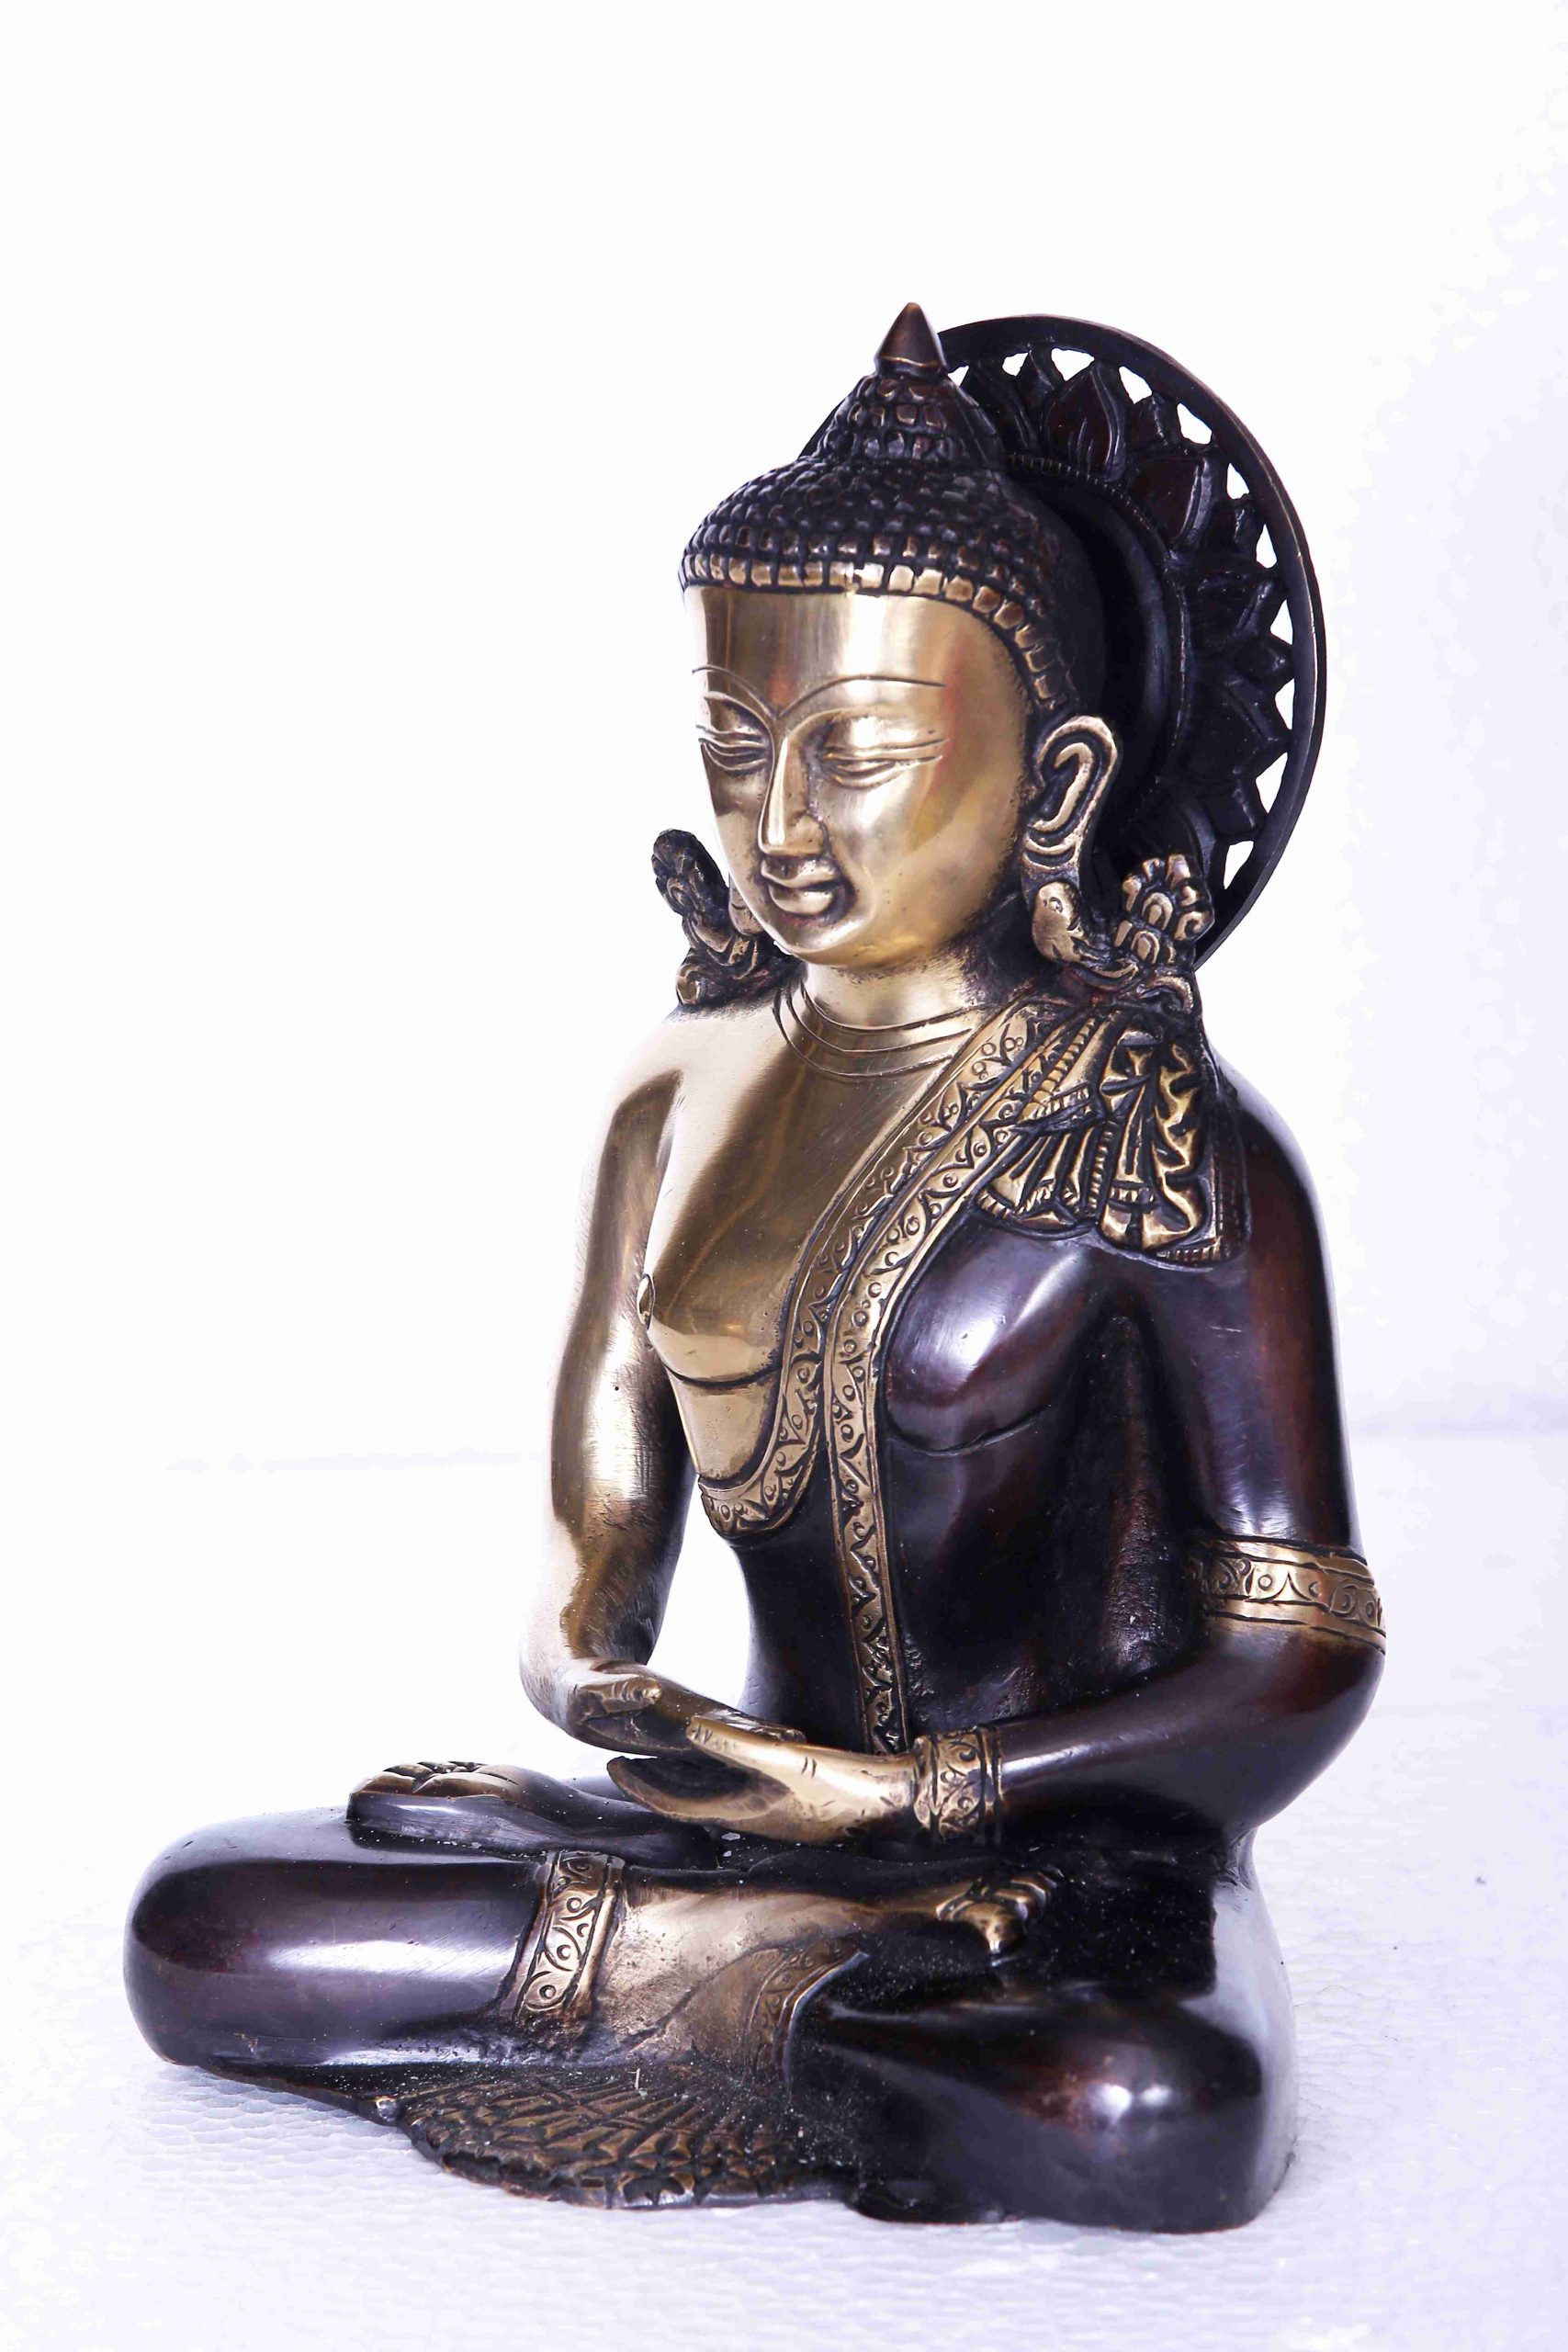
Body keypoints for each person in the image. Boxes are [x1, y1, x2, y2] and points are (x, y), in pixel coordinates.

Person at [128, 306, 1382, 2230]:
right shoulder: (677, 1083)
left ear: (1055, 785)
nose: (778, 827)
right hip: (729, 1822)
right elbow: (592, 1570)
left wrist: (914, 1800)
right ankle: (806, 1978)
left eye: (854, 754)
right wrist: (612, 1703)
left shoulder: (1163, 1138)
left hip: (1060, 1855)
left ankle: (729, 1980)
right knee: (209, 1928)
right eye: (734, 748)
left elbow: (1294, 1654)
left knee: (1145, 2102)